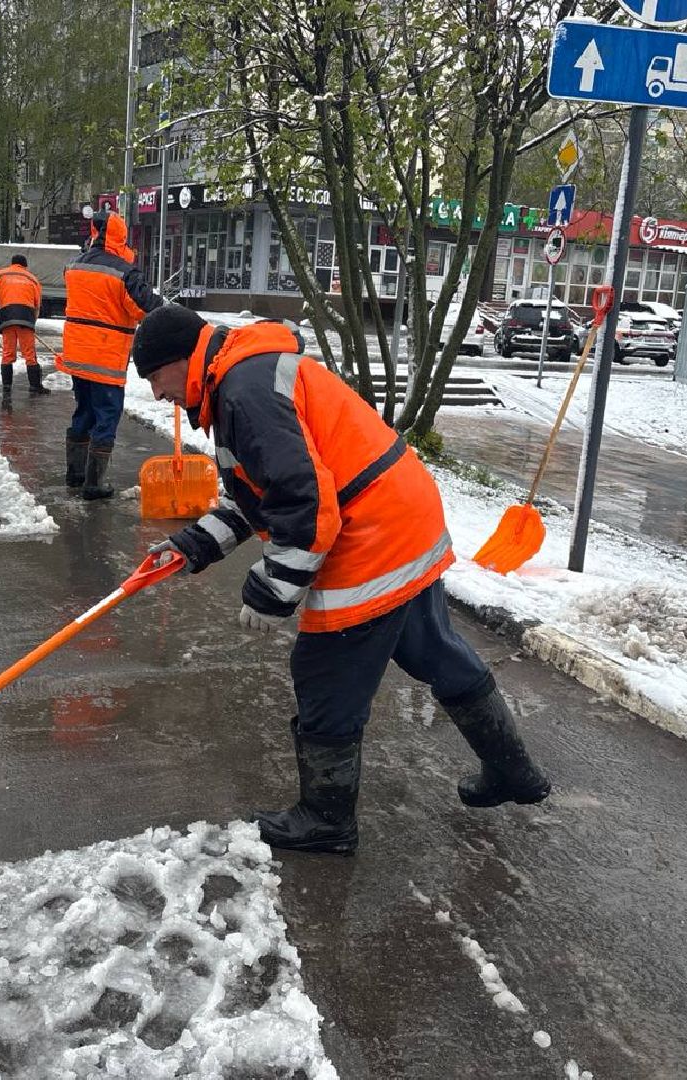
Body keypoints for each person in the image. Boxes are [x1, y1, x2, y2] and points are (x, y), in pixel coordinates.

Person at [131, 304, 551, 855]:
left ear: (181, 359)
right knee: (432, 648)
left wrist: (273, 589)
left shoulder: (243, 392)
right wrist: (192, 546)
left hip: (370, 531)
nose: (156, 393)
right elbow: (261, 494)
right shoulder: (240, 376)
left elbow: (304, 503)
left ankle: (326, 821)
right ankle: (514, 771)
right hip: (403, 515)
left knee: (326, 671)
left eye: (155, 377)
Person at [58, 209, 162, 500]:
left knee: (84, 410)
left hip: (77, 354)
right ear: (121, 237)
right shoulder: (124, 272)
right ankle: (94, 483)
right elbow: (143, 308)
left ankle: (75, 473)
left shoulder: (74, 265)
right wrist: (166, 310)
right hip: (105, 356)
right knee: (107, 414)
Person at [0, 254, 49, 403]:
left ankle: (6, 387)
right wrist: (32, 322)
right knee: (29, 354)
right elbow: (37, 304)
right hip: (26, 316)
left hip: (7, 316)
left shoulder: (0, 274)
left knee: (7, 353)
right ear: (25, 266)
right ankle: (35, 386)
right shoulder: (32, 278)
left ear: (12, 263)